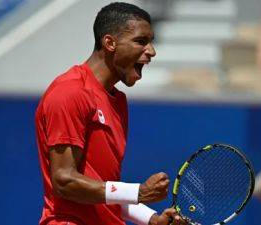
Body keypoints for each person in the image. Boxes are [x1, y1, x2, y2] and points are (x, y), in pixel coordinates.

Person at [35, 2, 187, 225]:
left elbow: (103, 188)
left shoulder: (117, 101)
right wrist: (139, 192)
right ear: (110, 43)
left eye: (151, 42)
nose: (152, 51)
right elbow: (64, 181)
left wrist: (151, 219)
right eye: (141, 41)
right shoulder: (70, 92)